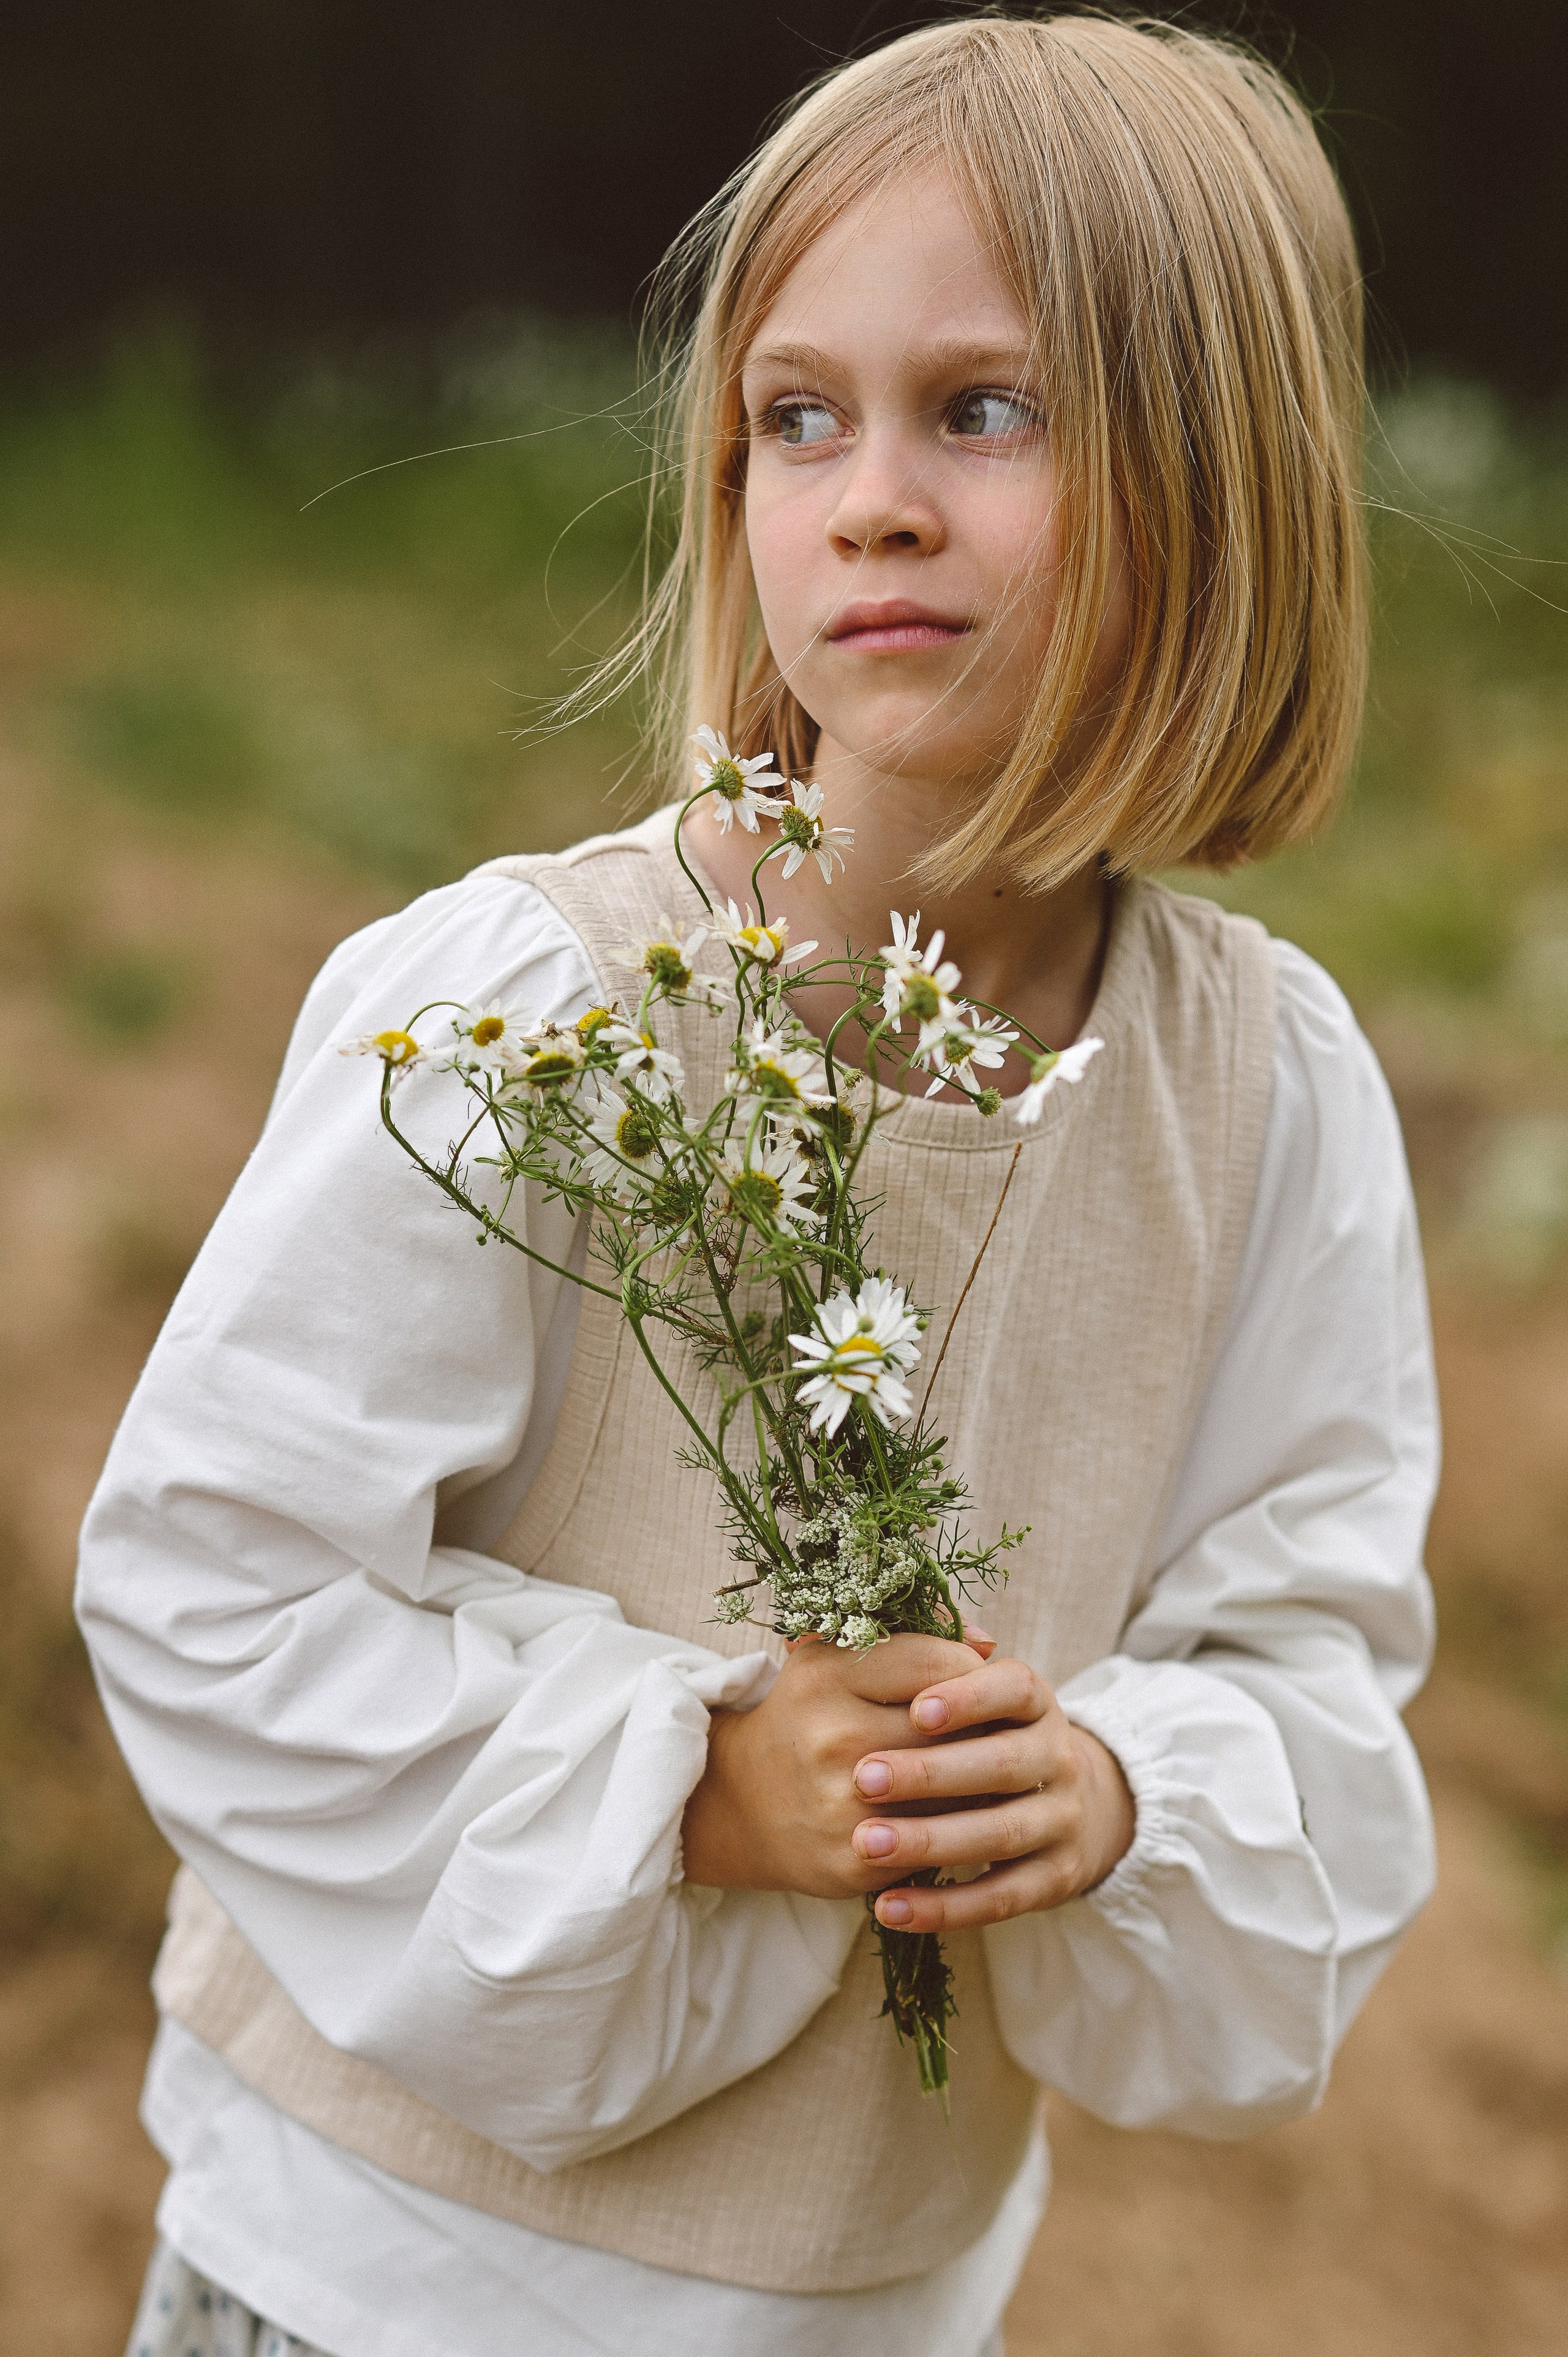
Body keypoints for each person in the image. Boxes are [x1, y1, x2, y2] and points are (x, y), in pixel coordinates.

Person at [80, 18, 1438, 2357]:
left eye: (982, 411)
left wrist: (1110, 1791)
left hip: (879, 2298)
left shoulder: (1268, 1089)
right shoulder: (535, 1013)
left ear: (1225, 484)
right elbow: (215, 1581)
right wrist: (698, 1786)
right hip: (394, 2285)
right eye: (797, 417)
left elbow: (1308, 1645)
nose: (870, 498)